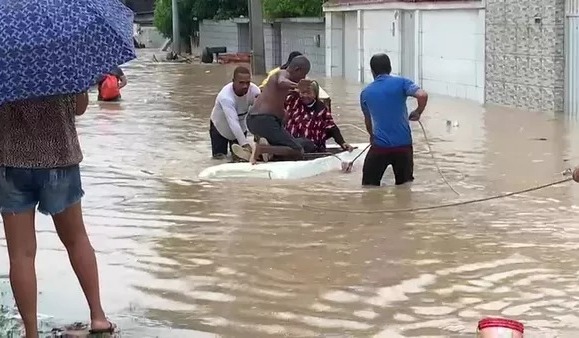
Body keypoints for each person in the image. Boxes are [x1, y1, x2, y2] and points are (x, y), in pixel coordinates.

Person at [0, 94, 114, 337]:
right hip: (60, 159)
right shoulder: (63, 58)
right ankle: (98, 316)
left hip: (11, 163)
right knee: (76, 239)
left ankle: (31, 332)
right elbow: (80, 108)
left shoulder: (5, 60)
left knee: (21, 254)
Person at [360, 53, 428, 187]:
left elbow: (368, 123)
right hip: (403, 147)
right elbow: (422, 95)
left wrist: (372, 137)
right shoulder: (402, 82)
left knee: (368, 187)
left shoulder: (366, 93)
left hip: (380, 147)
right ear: (390, 68)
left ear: (372, 71)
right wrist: (418, 111)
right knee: (405, 188)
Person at [234, 56, 311, 164]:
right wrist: (297, 86)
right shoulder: (283, 74)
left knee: (287, 133)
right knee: (297, 150)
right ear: (297, 69)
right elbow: (281, 81)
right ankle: (262, 149)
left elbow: (275, 97)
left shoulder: (284, 82)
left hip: (255, 120)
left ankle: (261, 151)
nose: (303, 77)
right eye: (303, 74)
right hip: (264, 121)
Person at [285, 80, 353, 153]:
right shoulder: (293, 102)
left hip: (314, 146)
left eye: (308, 93)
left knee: (307, 143)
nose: (304, 96)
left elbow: (331, 127)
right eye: (302, 93)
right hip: (294, 144)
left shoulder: (321, 108)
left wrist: (342, 142)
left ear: (315, 94)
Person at [209, 66, 260, 159]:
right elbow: (233, 122)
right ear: (233, 81)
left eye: (247, 83)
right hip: (220, 128)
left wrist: (258, 137)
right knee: (219, 159)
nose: (245, 86)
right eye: (241, 83)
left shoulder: (254, 91)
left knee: (240, 160)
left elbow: (259, 113)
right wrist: (245, 145)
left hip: (241, 127)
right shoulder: (226, 97)